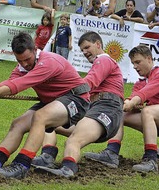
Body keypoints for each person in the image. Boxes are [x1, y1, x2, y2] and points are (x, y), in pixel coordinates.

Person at [0, 32, 90, 180]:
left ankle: (22, 165)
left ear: (35, 50)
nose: (25, 64)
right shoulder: (22, 66)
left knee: (41, 117)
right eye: (20, 61)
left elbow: (21, 84)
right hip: (52, 101)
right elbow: (12, 81)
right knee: (18, 123)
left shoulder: (49, 62)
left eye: (27, 59)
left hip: (76, 100)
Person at [84, 45, 159, 173]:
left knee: (148, 111)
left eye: (138, 62)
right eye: (133, 63)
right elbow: (132, 99)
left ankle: (150, 160)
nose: (135, 66)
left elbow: (143, 94)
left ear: (149, 59)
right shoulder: (140, 82)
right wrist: (125, 105)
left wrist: (133, 102)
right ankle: (111, 154)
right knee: (120, 114)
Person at [33, 32, 125, 178]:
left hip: (106, 109)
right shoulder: (100, 63)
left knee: (74, 140)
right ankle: (47, 156)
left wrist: (65, 93)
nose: (85, 52)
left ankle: (68, 169)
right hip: (94, 109)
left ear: (98, 44)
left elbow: (89, 82)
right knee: (49, 123)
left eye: (87, 47)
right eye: (82, 50)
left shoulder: (104, 60)